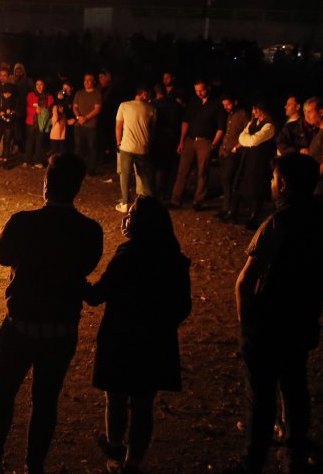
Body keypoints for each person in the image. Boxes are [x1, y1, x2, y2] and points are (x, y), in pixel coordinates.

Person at [0, 153, 104, 474]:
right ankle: (34, 466)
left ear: (46, 184)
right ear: (77, 188)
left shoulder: (23, 221)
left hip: (19, 328)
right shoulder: (90, 231)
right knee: (45, 402)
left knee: (3, 393)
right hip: (60, 332)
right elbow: (86, 267)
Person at [229, 154, 323, 474]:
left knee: (262, 395)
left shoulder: (278, 223)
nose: (270, 183)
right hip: (303, 316)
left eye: (273, 178)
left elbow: (246, 280)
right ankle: (294, 448)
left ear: (282, 184)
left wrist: (246, 323)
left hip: (268, 320)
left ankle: (252, 461)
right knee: (295, 382)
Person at [85, 196, 191, 474]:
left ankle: (115, 449)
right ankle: (133, 462)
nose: (125, 219)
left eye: (131, 214)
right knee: (143, 404)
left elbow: (97, 295)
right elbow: (183, 306)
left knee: (116, 397)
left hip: (121, 340)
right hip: (156, 343)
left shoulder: (128, 255)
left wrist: (73, 280)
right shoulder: (174, 259)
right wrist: (160, 325)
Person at [169, 81, 224, 210]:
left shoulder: (216, 104)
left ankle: (198, 201)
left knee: (202, 172)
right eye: (196, 91)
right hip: (190, 140)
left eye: (202, 90)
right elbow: (185, 122)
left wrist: (214, 144)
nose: (199, 93)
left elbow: (221, 127)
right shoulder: (193, 102)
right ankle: (175, 199)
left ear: (208, 88)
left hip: (205, 141)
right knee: (182, 170)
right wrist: (182, 141)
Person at [231, 102, 278, 229]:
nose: (253, 111)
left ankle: (254, 217)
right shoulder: (252, 123)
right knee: (241, 183)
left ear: (261, 110)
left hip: (259, 161)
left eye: (255, 109)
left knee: (256, 188)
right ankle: (234, 212)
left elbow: (254, 140)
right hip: (248, 159)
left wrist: (248, 140)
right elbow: (242, 138)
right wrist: (248, 140)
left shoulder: (269, 126)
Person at [114, 86, 156, 213]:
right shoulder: (152, 108)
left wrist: (118, 141)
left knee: (125, 174)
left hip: (127, 146)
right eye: (148, 94)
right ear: (143, 94)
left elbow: (118, 126)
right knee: (143, 173)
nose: (149, 97)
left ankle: (125, 202)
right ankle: (151, 201)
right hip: (143, 147)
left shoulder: (124, 105)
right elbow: (152, 129)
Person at [216, 95, 250, 221]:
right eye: (224, 105)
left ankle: (231, 209)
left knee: (228, 179)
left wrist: (237, 147)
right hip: (224, 151)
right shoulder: (229, 114)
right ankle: (226, 208)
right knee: (225, 180)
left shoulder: (243, 114)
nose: (226, 107)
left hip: (234, 152)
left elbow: (248, 131)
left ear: (235, 102)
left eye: (228, 104)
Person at [72, 73, 103, 173]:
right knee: (78, 147)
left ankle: (91, 168)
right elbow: (75, 107)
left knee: (92, 147)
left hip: (91, 126)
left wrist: (85, 118)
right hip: (79, 125)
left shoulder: (97, 94)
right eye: (85, 80)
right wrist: (78, 117)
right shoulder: (79, 93)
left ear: (93, 82)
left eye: (89, 80)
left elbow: (97, 109)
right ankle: (77, 167)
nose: (86, 82)